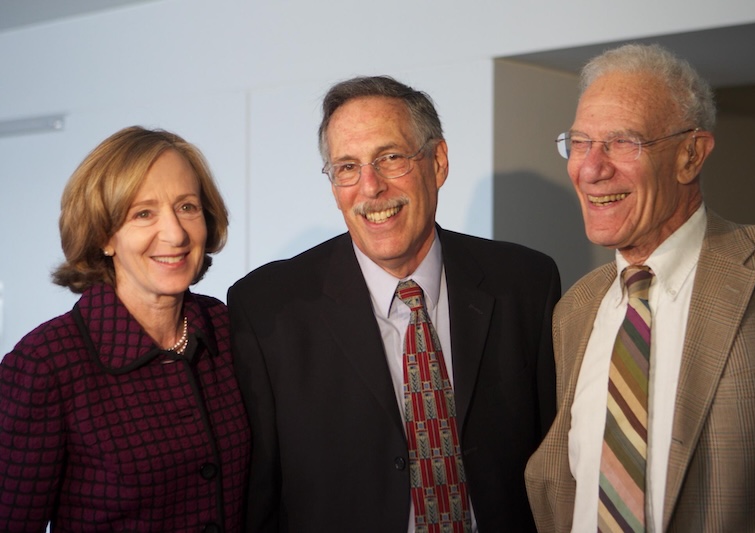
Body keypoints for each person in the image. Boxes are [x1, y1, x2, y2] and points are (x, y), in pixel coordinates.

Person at [228, 75, 560, 532]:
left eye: (390, 158)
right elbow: (261, 497)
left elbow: (556, 464)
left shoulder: (526, 283)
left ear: (438, 162)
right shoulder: (267, 308)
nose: (370, 187)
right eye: (347, 167)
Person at [525, 43, 755, 532]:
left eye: (622, 142)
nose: (591, 169)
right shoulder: (574, 309)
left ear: (690, 155)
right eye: (581, 142)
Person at [0, 126, 250, 532]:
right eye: (143, 213)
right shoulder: (45, 364)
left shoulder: (226, 328)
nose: (175, 233)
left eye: (187, 207)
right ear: (104, 236)